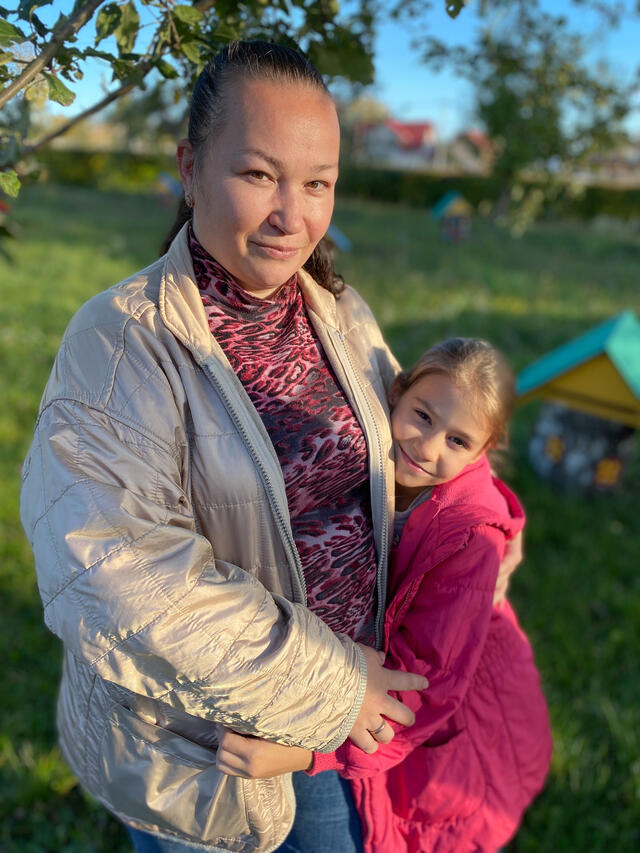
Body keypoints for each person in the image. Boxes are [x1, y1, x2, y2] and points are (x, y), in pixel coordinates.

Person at [20, 40, 431, 853]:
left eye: (317, 184)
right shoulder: (120, 342)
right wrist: (334, 687)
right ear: (190, 167)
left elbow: (412, 462)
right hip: (207, 755)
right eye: (259, 174)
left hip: (340, 733)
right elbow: (119, 580)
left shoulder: (339, 310)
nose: (292, 215)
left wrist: (481, 528)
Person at [216, 338, 552, 853]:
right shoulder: (379, 464)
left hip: (457, 725)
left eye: (458, 440)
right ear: (395, 392)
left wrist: (306, 757)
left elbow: (428, 686)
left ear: (485, 448)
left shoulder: (471, 539)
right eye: (423, 416)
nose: (428, 447)